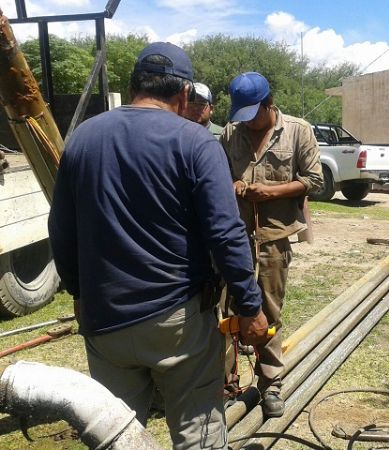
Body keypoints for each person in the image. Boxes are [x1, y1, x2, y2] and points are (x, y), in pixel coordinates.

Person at [47, 42, 270, 449]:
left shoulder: (82, 139)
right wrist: (249, 305)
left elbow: (62, 229)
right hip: (178, 323)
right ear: (184, 94)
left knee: (118, 433)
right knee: (197, 432)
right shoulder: (196, 142)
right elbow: (225, 232)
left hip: (106, 319)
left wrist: (79, 292)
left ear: (134, 86)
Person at [219, 71, 323, 418]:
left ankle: (270, 383)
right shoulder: (231, 132)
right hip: (233, 237)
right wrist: (234, 183)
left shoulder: (297, 130)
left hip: (274, 238)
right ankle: (228, 382)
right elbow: (217, 173)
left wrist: (273, 192)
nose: (247, 124)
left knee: (267, 310)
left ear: (269, 104)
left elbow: (314, 181)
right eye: (241, 117)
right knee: (227, 310)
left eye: (253, 115)